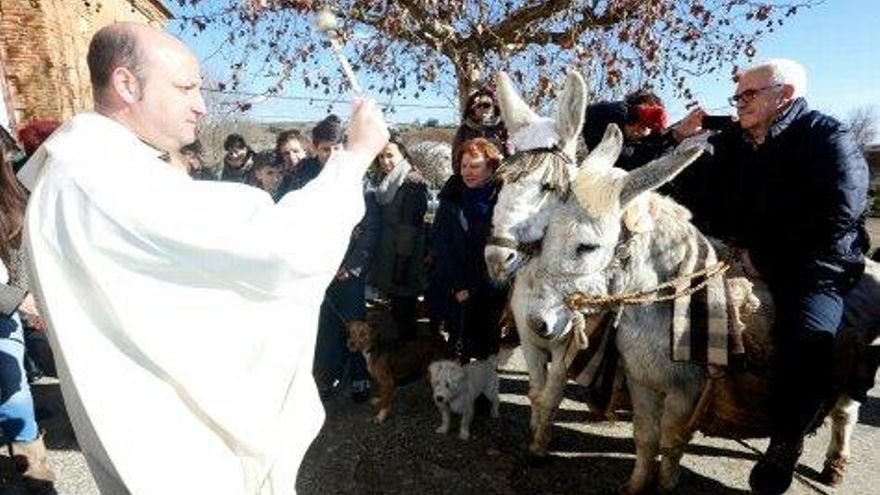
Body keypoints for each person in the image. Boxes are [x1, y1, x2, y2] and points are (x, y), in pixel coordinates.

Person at [17, 22, 388, 495]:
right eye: (185, 88)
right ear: (126, 83)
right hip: (178, 451)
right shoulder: (98, 177)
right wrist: (355, 157)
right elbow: (277, 248)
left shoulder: (80, 171)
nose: (201, 105)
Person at [673, 58, 870, 495]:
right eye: (736, 96)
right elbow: (694, 192)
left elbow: (840, 213)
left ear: (785, 95)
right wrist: (677, 139)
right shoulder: (734, 140)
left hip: (816, 263)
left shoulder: (828, 137)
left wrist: (767, 258)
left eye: (749, 94)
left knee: (808, 341)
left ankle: (786, 440)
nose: (738, 103)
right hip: (738, 248)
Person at [0, 139, 56, 494]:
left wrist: (25, 300)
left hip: (5, 313)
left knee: (14, 390)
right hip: (8, 302)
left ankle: (33, 465)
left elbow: (17, 258)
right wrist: (17, 299)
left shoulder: (9, 195)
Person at [431, 138, 506, 361]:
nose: (467, 172)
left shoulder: (504, 200)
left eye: (475, 166)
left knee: (487, 350)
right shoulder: (451, 198)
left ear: (490, 167)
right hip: (458, 289)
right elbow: (442, 244)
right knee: (459, 348)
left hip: (491, 288)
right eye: (464, 166)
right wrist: (458, 285)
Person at [367, 133, 428, 342]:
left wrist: (401, 268)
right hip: (389, 256)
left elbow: (409, 229)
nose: (385, 161)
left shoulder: (411, 182)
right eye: (380, 157)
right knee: (396, 312)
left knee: (404, 313)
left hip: (404, 260)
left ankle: (409, 355)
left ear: (402, 153)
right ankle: (402, 353)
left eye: (390, 155)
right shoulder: (387, 180)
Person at [582, 90, 671, 171]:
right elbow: (592, 113)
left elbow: (629, 159)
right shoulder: (609, 114)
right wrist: (633, 113)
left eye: (647, 124)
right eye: (644, 111)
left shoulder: (635, 149)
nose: (637, 127)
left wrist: (664, 139)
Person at [451, 87, 508, 174]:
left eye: (486, 105)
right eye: (478, 105)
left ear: (494, 107)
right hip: (472, 176)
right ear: (473, 109)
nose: (482, 108)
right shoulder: (464, 129)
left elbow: (510, 155)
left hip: (498, 175)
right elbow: (456, 158)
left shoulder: (502, 128)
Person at [283, 115, 343, 192]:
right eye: (326, 150)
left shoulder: (352, 169)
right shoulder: (303, 171)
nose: (332, 154)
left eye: (336, 149)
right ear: (315, 148)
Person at [275, 129, 310, 194]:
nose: (292, 157)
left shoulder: (316, 175)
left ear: (305, 151)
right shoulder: (281, 181)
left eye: (295, 151)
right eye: (286, 153)